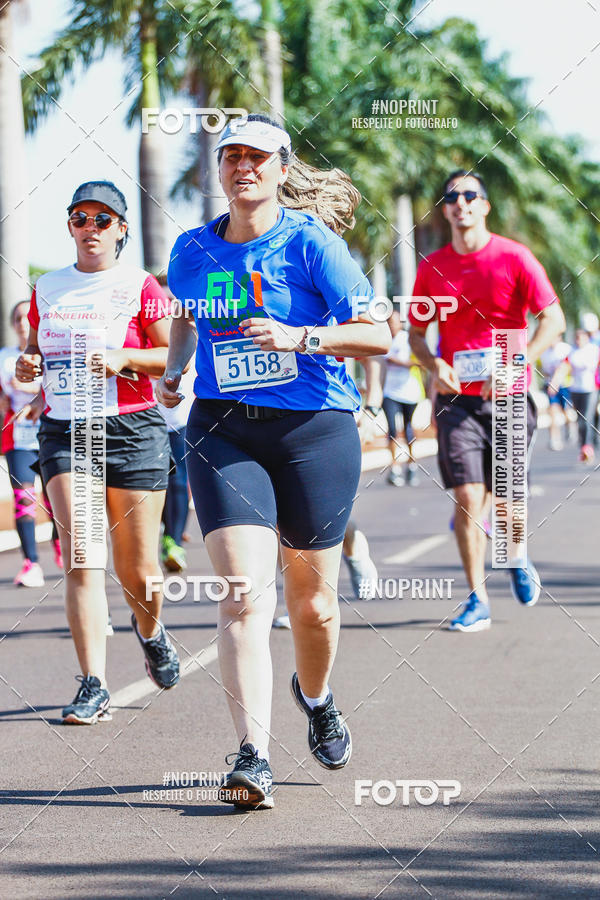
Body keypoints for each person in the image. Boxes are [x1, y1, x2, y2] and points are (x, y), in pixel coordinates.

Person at [159, 114, 390, 809]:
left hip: (314, 431)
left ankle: (316, 699)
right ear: (219, 169)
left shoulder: (311, 244)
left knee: (312, 603)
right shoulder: (192, 248)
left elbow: (377, 332)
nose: (242, 167)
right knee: (241, 594)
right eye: (230, 156)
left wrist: (301, 335)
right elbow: (186, 315)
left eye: (257, 157)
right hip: (223, 430)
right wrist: (176, 370)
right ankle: (252, 754)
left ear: (282, 169)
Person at [16, 180, 180, 723]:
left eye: (102, 219)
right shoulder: (48, 287)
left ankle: (150, 630)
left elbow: (174, 355)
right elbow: (36, 352)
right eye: (80, 218)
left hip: (133, 428)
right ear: (69, 226)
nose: (90, 228)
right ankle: (93, 683)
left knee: (140, 570)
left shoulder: (139, 286)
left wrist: (123, 357)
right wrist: (28, 367)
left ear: (122, 229)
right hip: (68, 430)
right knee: (84, 558)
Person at [409, 169, 565, 632]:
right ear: (446, 210)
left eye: (470, 195)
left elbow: (552, 319)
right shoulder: (431, 268)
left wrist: (521, 361)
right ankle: (476, 599)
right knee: (466, 499)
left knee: (508, 504)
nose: (461, 202)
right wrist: (433, 365)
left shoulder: (514, 257)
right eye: (451, 196)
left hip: (511, 398)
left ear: (484, 205)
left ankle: (515, 554)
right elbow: (417, 336)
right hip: (457, 402)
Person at [0, 301, 61, 586]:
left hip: (52, 431)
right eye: (18, 318)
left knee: (56, 499)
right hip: (19, 437)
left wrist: (29, 388)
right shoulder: (4, 358)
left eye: (28, 317)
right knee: (24, 498)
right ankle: (31, 563)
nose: (23, 323)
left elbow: (57, 387)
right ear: (13, 325)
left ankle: (60, 541)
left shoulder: (50, 353)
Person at [382, 310, 425, 486]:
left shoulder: (408, 339)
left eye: (394, 322)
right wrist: (410, 363)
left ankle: (412, 465)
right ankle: (395, 468)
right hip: (389, 392)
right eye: (389, 322)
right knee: (392, 429)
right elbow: (389, 359)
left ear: (401, 323)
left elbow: (422, 358)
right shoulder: (382, 339)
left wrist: (418, 362)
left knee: (408, 430)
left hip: (409, 392)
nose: (392, 325)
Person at [550, 327, 599, 462]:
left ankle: (587, 446)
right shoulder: (572, 352)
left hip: (590, 389)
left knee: (586, 418)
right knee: (580, 419)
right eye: (577, 338)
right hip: (576, 389)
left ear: (587, 338)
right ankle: (584, 445)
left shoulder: (594, 350)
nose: (579, 341)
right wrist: (555, 382)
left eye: (581, 338)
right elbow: (563, 367)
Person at [539, 334, 572, 451]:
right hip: (550, 386)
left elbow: (565, 367)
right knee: (553, 411)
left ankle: (570, 426)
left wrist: (556, 382)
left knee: (567, 412)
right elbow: (541, 368)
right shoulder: (544, 351)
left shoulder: (565, 349)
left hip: (565, 385)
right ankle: (554, 439)